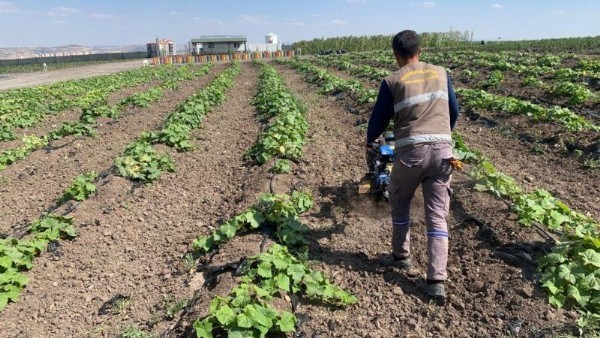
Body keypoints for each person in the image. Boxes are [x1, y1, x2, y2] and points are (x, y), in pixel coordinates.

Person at [366, 30, 459, 301]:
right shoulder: (441, 73)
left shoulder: (393, 80)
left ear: (396, 55)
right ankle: (436, 280)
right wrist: (443, 134)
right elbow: (454, 111)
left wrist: (369, 140)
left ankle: (401, 256)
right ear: (421, 50)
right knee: (437, 215)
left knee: (399, 199)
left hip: (411, 154)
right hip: (443, 153)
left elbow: (378, 121)